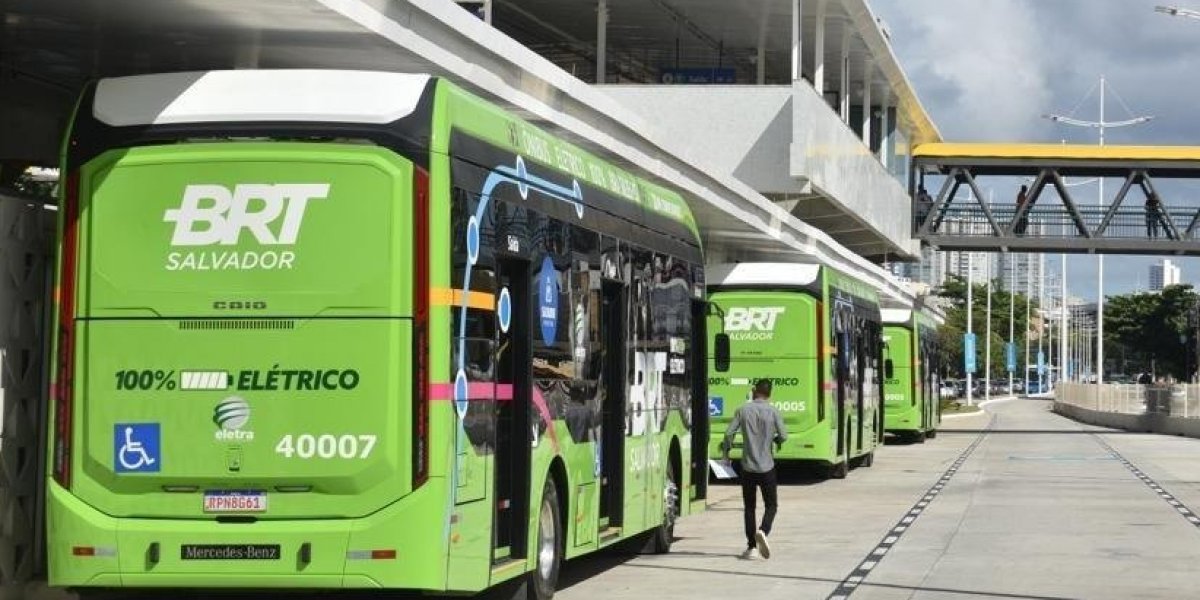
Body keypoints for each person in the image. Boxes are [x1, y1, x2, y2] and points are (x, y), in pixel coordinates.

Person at [721, 378, 787, 560]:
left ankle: (751, 548)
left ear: (754, 390)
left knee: (749, 507)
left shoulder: (743, 410)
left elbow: (728, 433)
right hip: (767, 467)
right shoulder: (773, 412)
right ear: (769, 393)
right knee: (771, 505)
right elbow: (783, 435)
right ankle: (763, 530)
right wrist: (776, 441)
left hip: (748, 467)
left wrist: (727, 451)